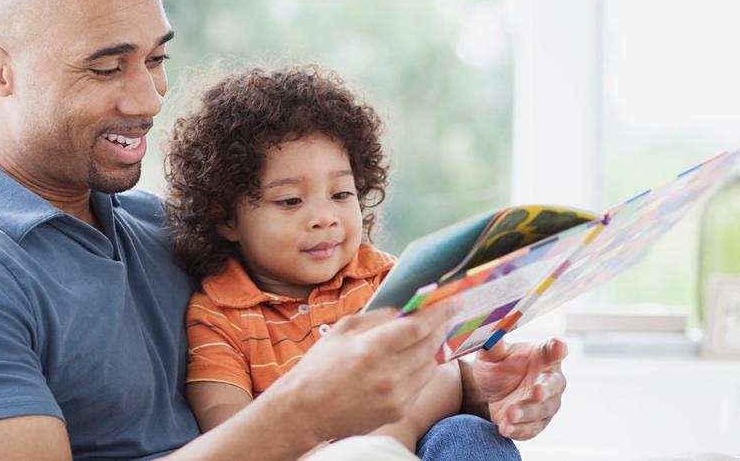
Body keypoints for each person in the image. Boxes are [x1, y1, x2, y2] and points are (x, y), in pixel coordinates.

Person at [0, 0, 568, 459]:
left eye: (156, 58)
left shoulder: (166, 229)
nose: (149, 97)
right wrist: (307, 412)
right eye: (107, 67)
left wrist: (476, 386)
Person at [166, 65, 523, 459]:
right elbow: (227, 425)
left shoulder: (385, 279)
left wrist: (387, 438)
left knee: (471, 433)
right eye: (290, 201)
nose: (325, 217)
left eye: (340, 194)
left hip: (406, 446)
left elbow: (444, 374)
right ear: (226, 218)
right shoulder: (218, 314)